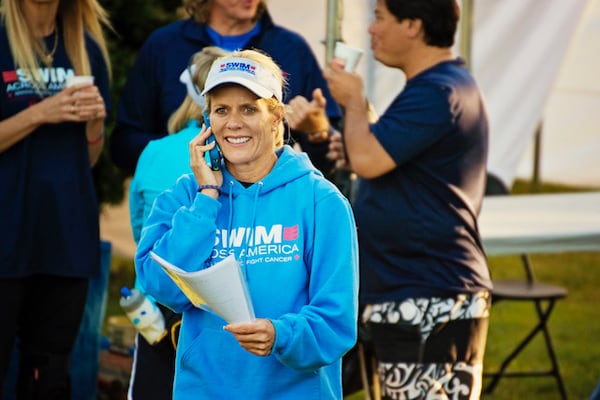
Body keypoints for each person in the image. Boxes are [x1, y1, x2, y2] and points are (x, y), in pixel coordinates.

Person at [135, 49, 359, 399]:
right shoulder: (184, 195)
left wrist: (279, 334)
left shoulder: (321, 201)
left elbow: (336, 322)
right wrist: (207, 197)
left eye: (249, 109)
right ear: (207, 118)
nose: (233, 122)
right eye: (222, 109)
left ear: (276, 117)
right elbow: (160, 287)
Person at [323, 1, 493, 399]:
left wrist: (352, 101)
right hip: (416, 291)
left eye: (380, 18)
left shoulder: (438, 91)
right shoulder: (438, 86)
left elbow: (367, 159)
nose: (371, 30)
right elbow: (377, 155)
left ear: (413, 25)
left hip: (428, 294)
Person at [0, 0, 111, 397]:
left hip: (65, 237)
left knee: (47, 377)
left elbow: (89, 158)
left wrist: (95, 123)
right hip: (6, 234)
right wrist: (40, 113)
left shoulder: (85, 47)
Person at [110, 0, 341, 181]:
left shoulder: (292, 49)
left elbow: (337, 163)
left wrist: (318, 133)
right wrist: (187, 155)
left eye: (249, 108)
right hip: (186, 207)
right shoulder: (163, 47)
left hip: (267, 210)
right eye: (220, 110)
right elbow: (124, 144)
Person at [127, 46, 227, 400]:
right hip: (216, 308)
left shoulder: (154, 152)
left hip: (155, 307)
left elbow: (140, 229)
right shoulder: (235, 156)